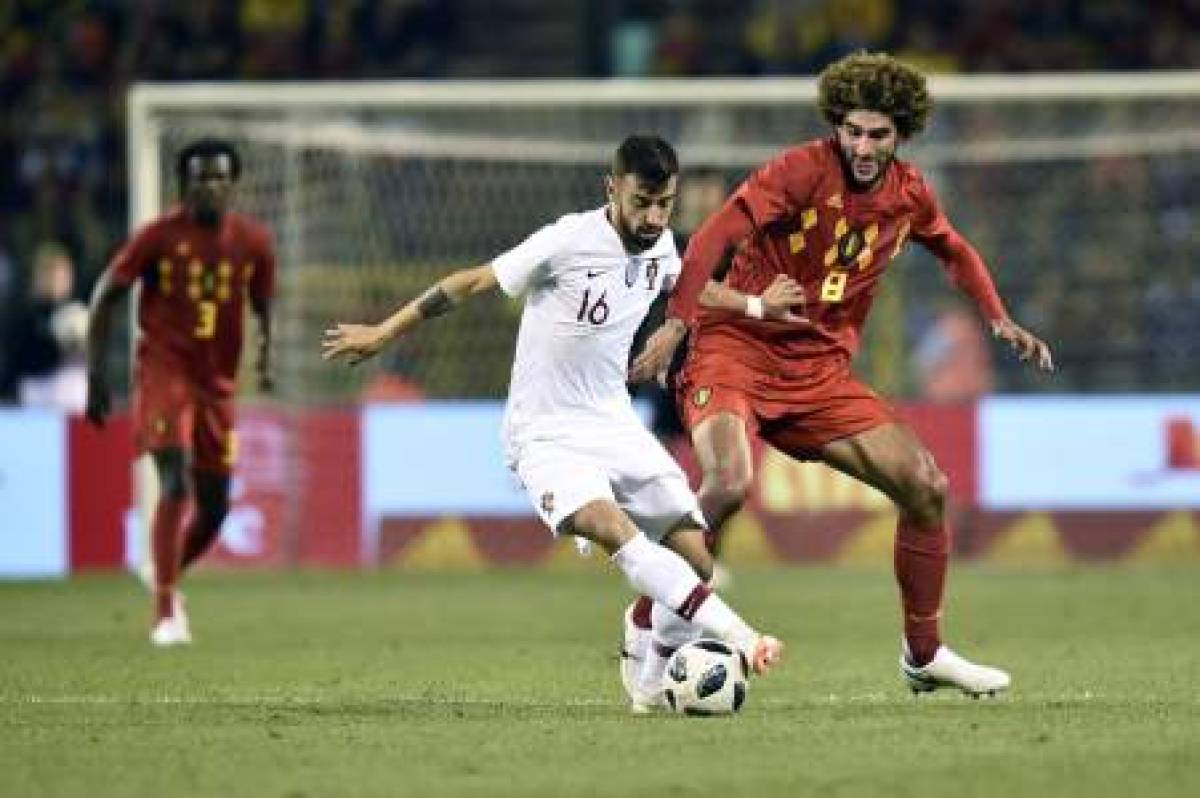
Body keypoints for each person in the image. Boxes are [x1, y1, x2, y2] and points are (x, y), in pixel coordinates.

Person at [631, 52, 1054, 697]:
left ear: (900, 134)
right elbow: (715, 232)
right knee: (728, 480)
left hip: (820, 370)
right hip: (735, 348)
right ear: (837, 124)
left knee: (926, 486)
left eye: (877, 134)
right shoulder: (800, 170)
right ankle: (647, 623)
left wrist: (998, 319)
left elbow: (955, 249)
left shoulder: (909, 194)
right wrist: (676, 325)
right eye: (852, 130)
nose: (861, 145)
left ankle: (924, 654)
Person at [322, 134, 783, 712]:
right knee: (617, 531)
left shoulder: (662, 245)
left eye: (663, 203)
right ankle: (743, 637)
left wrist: (757, 306)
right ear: (611, 188)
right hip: (545, 433)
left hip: (612, 422)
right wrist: (384, 331)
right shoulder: (567, 240)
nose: (653, 216)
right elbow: (469, 282)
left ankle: (643, 651)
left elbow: (689, 286)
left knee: (696, 558)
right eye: (642, 201)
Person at [85, 138, 276, 647]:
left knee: (215, 508)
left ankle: (167, 571)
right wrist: (96, 374)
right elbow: (107, 292)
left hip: (218, 384)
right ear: (184, 184)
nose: (209, 186)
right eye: (200, 177)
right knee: (173, 480)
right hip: (164, 371)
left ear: (232, 184)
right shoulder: (158, 237)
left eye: (218, 177)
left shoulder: (253, 241)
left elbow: (263, 303)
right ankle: (165, 610)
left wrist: (266, 355)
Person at [5, 242, 89, 412]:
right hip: (38, 396)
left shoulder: (78, 313)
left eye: (63, 275)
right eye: (50, 274)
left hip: (72, 398)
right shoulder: (25, 317)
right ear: (38, 277)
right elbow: (19, 362)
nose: (57, 281)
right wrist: (57, 347)